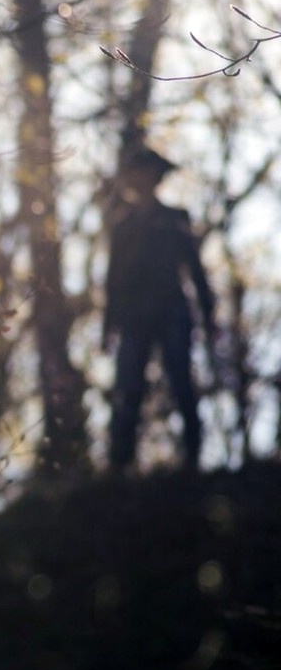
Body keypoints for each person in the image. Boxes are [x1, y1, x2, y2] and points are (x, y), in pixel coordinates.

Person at [102, 147, 215, 473]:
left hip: (172, 313)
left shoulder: (175, 219)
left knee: (181, 382)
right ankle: (120, 465)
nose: (139, 179)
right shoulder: (121, 227)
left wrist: (207, 313)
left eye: (145, 172)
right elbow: (113, 281)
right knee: (129, 388)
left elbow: (195, 269)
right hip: (134, 318)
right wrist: (108, 326)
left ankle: (192, 460)